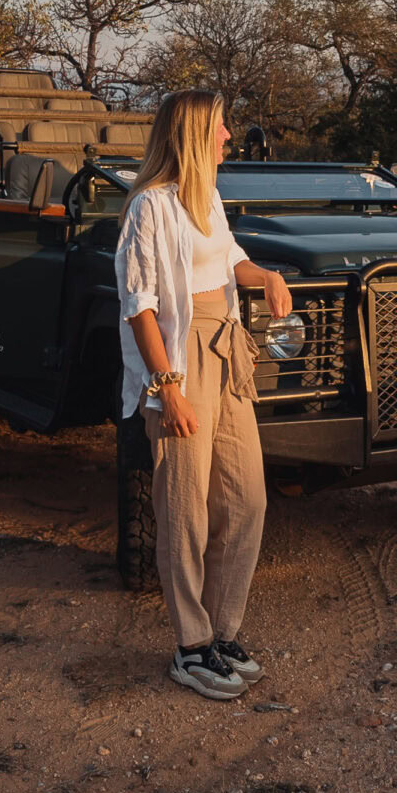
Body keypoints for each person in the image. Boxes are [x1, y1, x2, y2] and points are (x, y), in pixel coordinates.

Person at [114, 89, 293, 700]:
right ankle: (190, 646)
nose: (227, 137)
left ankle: (223, 631)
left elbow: (228, 260)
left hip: (227, 347)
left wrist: (265, 275)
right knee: (184, 508)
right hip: (180, 357)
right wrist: (167, 387)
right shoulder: (149, 206)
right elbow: (139, 304)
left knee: (247, 498)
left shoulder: (208, 197)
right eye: (219, 127)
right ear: (192, 134)